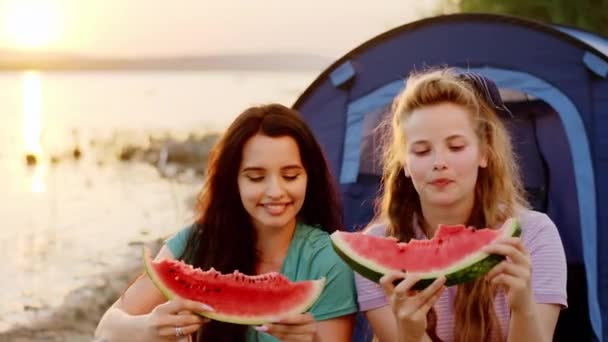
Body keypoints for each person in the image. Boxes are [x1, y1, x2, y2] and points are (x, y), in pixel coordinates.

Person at [95, 104, 358, 342]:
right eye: (256, 178)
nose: (275, 191)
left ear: (308, 178)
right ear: (234, 182)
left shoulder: (328, 261)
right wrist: (146, 329)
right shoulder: (195, 242)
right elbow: (105, 331)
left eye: (290, 176)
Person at [355, 69, 568, 341]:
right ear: (404, 163)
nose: (439, 162)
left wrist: (523, 307)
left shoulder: (534, 235)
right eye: (421, 151)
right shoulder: (377, 253)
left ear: (484, 153)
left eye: (455, 147)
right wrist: (409, 334)